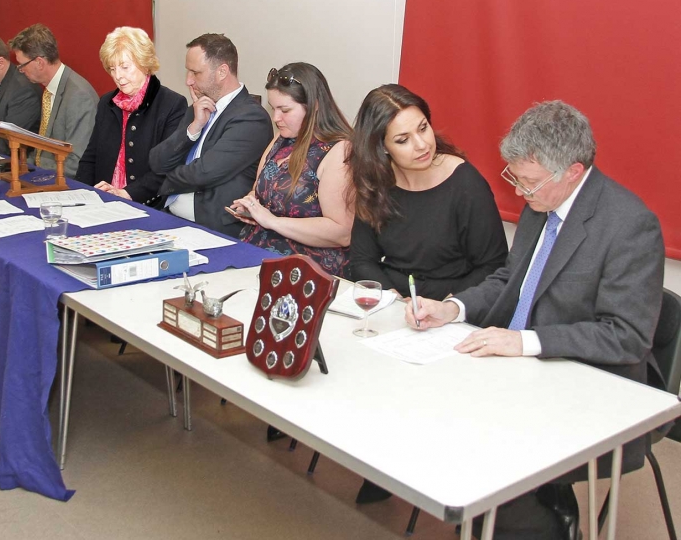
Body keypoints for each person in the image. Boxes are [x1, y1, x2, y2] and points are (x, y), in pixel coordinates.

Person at [407, 101, 665, 540]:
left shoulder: (630, 226)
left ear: (573, 171)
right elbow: (512, 279)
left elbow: (626, 337)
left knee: (490, 449)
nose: (519, 191)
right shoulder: (542, 201)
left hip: (590, 382)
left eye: (528, 181)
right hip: (521, 370)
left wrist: (524, 342)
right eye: (515, 177)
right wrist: (454, 308)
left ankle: (546, 518)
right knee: (432, 411)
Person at [348, 84, 507, 299]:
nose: (422, 145)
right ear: (382, 147)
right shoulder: (377, 180)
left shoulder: (466, 184)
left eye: (423, 128)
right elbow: (362, 260)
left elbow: (492, 266)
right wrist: (393, 299)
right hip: (395, 299)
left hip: (451, 302)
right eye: (403, 140)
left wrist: (448, 306)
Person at [231, 63, 353, 277]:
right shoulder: (283, 138)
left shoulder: (338, 151)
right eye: (273, 108)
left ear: (314, 106)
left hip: (307, 266)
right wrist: (250, 205)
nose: (276, 118)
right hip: (257, 252)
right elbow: (259, 190)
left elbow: (341, 232)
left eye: (285, 110)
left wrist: (273, 222)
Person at [149, 33, 273, 237]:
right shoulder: (198, 108)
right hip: (171, 217)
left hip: (212, 229)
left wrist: (166, 177)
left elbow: (203, 173)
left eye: (195, 73)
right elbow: (156, 161)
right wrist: (194, 128)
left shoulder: (251, 118)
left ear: (222, 71)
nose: (188, 81)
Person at [77, 27, 187, 203]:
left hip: (146, 204)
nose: (118, 76)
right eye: (112, 69)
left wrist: (127, 193)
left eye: (125, 67)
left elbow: (166, 169)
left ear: (144, 63)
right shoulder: (107, 102)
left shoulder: (172, 104)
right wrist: (81, 195)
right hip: (101, 201)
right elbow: (91, 158)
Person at [10, 24, 98, 179]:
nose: (21, 70)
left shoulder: (79, 96)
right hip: (48, 175)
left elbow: (76, 163)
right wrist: (22, 168)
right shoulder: (50, 90)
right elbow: (41, 151)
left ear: (39, 63)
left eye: (22, 65)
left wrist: (35, 173)